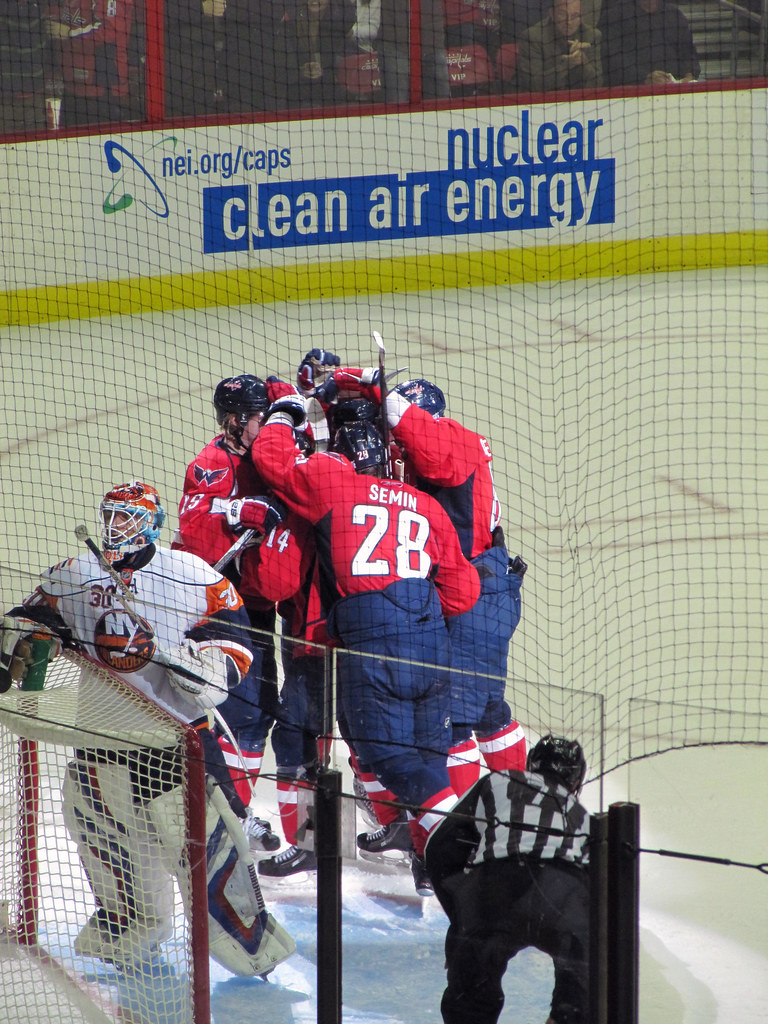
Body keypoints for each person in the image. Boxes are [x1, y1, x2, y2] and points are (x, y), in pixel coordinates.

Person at [0, 480, 295, 977]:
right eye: (111, 515)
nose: (117, 527)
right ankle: (131, 937)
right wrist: (28, 643)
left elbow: (235, 647)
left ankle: (252, 952)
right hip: (102, 737)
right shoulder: (74, 575)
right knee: (105, 840)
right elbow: (28, 623)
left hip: (176, 743)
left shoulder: (190, 573)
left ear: (154, 524)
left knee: (206, 854)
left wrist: (184, 662)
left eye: (130, 517)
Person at [251, 393, 482, 892]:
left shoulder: (333, 485)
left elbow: (271, 459)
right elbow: (463, 593)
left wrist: (285, 410)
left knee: (380, 755)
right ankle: (428, 862)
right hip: (429, 642)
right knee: (427, 754)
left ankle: (462, 842)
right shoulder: (423, 503)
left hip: (361, 641)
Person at [311, 362, 528, 849]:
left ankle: (465, 837)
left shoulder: (454, 441)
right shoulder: (440, 446)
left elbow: (429, 455)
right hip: (470, 588)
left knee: (459, 722)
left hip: (477, 591)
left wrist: (386, 398)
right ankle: (482, 823)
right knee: (485, 710)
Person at [174, 373, 292, 853]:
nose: (266, 425)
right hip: (220, 606)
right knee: (235, 712)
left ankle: (233, 816)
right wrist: (238, 509)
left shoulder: (260, 454)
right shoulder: (211, 464)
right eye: (260, 417)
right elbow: (195, 535)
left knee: (258, 713)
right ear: (234, 421)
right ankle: (221, 827)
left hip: (256, 606)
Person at [425, 735, 591, 1024]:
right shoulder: (584, 816)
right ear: (576, 783)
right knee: (579, 981)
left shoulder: (496, 781)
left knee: (471, 998)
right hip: (562, 889)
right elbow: (601, 890)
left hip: (496, 887)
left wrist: (463, 917)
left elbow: (439, 848)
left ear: (530, 766)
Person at [600, 0, 700, 86]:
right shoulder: (614, 17)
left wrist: (689, 74)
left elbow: (689, 53)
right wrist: (645, 78)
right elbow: (612, 60)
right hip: (632, 93)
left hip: (675, 90)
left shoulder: (675, 15)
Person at [516, 0, 602, 92]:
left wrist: (584, 61)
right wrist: (565, 66)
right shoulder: (532, 37)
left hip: (579, 100)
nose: (569, 21)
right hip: (545, 101)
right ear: (552, 14)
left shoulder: (591, 35)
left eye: (575, 16)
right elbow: (533, 85)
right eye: (562, 14)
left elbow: (598, 84)